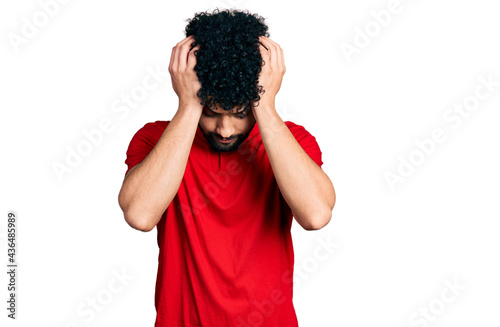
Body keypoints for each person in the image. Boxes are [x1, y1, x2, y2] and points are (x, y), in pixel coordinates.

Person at [118, 8, 336, 327]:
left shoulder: (291, 141)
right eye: (211, 112)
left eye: (239, 112)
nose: (224, 129)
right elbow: (139, 215)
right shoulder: (156, 140)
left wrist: (265, 103)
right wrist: (189, 105)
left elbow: (316, 215)